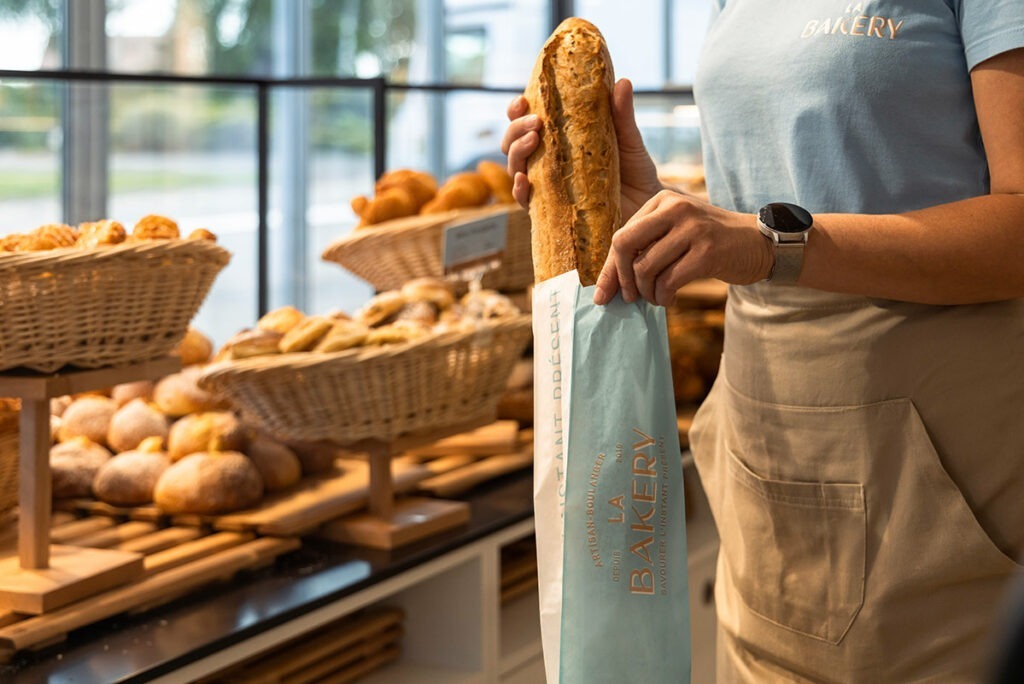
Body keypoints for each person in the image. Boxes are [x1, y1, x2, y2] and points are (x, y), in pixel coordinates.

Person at [503, 3, 1024, 682]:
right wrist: (653, 208)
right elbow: (781, 195)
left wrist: (768, 242)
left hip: (932, 471)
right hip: (765, 450)